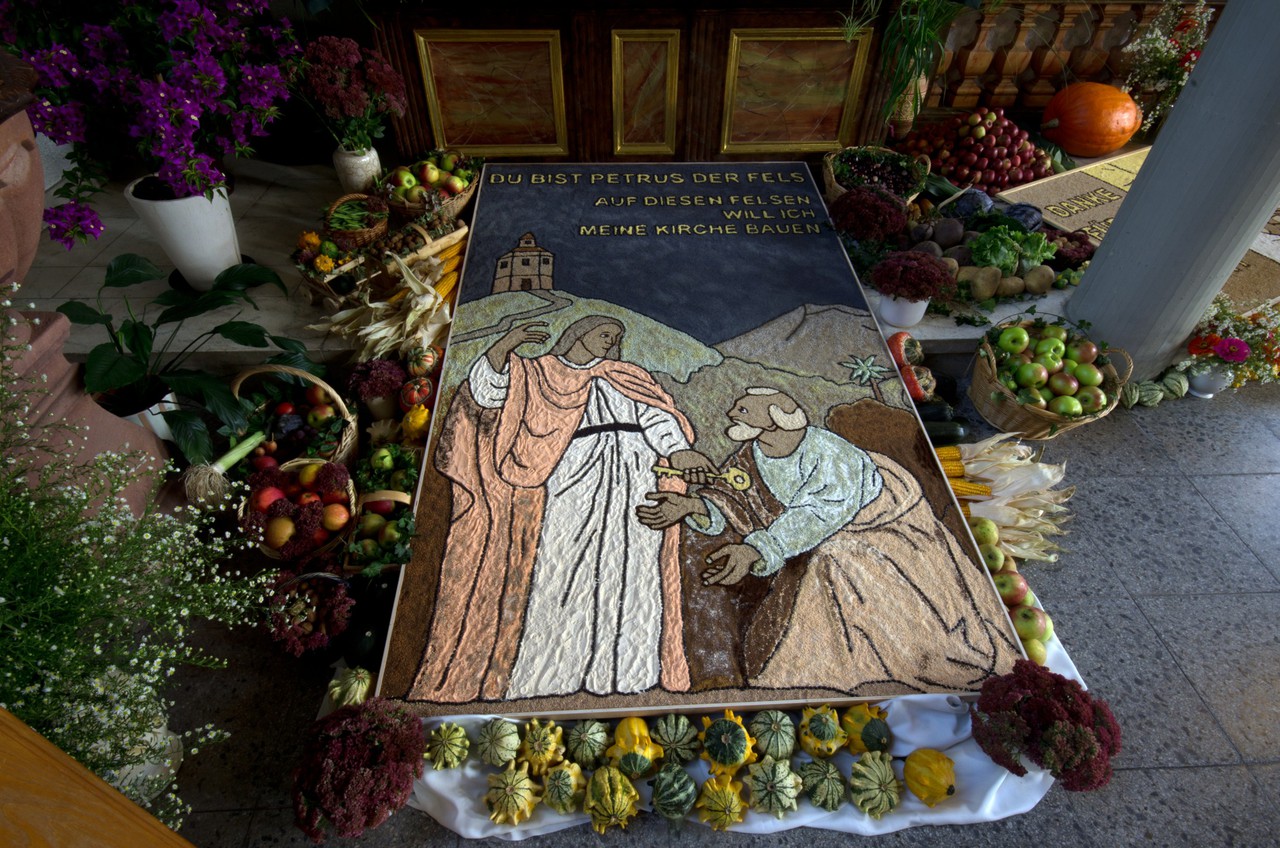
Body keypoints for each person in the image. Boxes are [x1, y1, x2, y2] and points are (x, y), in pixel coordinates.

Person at [637, 387, 1019, 694]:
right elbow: (734, 497)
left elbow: (819, 514)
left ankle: (831, 669)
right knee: (819, 553)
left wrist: (755, 549)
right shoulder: (754, 452)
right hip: (820, 528)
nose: (734, 412)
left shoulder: (829, 454)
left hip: (878, 527)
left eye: (745, 409)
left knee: (829, 560)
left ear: (776, 418)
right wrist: (693, 506)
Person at [411, 315, 712, 703]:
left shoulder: (624, 375)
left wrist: (678, 450)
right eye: (603, 333)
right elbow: (486, 395)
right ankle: (552, 679)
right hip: (571, 476)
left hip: (635, 476)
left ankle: (629, 677)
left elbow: (656, 415)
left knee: (633, 574)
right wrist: (504, 345)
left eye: (615, 337)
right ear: (578, 334)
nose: (610, 341)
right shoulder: (538, 373)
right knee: (563, 574)